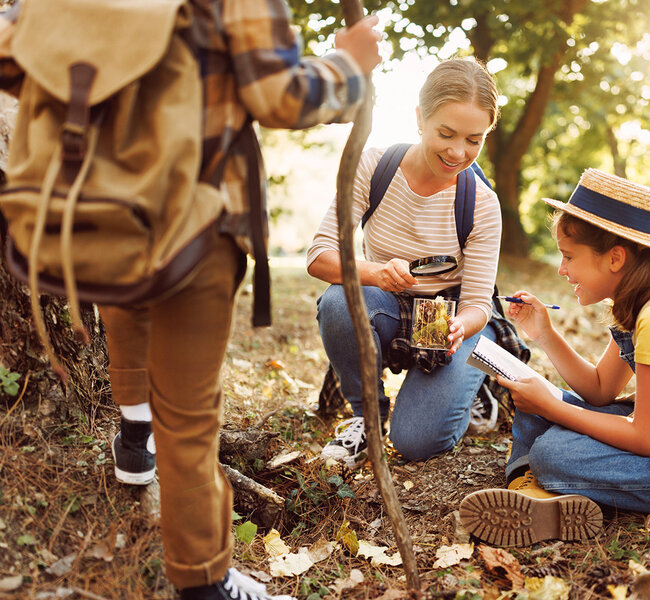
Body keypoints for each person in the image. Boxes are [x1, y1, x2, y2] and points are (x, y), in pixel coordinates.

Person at [0, 1, 380, 598]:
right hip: (194, 222)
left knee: (125, 301)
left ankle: (133, 433)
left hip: (100, 210)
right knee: (191, 416)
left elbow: (10, 58)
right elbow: (282, 98)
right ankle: (204, 580)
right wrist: (348, 65)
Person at [459, 168, 650, 547]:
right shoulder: (644, 304)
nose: (561, 269)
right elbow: (601, 390)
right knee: (537, 400)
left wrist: (554, 409)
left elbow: (649, 438)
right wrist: (544, 334)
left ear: (615, 258)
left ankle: (542, 483)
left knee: (553, 449)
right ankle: (539, 491)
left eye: (569, 256)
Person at [306, 58, 528, 468]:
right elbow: (320, 257)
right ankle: (366, 419)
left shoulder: (482, 203)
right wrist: (375, 273)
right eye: (446, 133)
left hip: (451, 322)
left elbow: (479, 303)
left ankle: (472, 385)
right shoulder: (373, 167)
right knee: (338, 302)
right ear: (419, 118)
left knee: (416, 444)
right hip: (387, 306)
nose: (458, 152)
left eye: (474, 140)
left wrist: (463, 325)